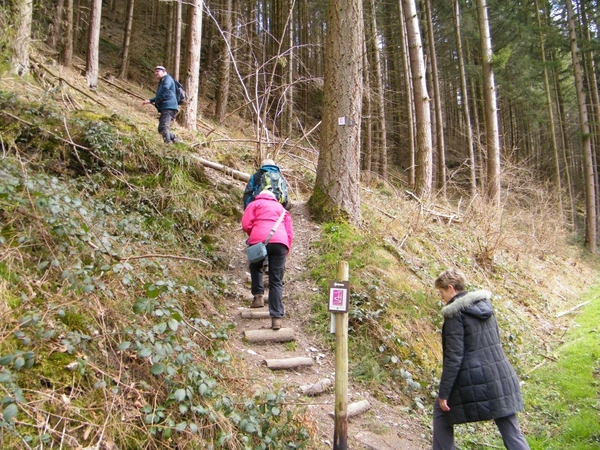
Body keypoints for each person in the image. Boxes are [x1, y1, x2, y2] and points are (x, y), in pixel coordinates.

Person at [433, 268, 530, 450]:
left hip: (476, 377)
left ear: (451, 288)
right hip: (501, 375)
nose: (442, 297)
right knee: (511, 430)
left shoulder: (455, 313)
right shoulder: (485, 307)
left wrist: (444, 393)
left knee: (440, 411)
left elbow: (454, 357)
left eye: (442, 292)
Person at [241, 189, 294, 330]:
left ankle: (258, 296)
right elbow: (289, 232)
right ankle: (276, 318)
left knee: (255, 266)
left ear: (260, 196)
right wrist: (286, 249)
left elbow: (246, 224)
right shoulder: (281, 208)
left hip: (259, 240)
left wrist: (254, 234)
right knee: (276, 280)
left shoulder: (254, 204)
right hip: (280, 243)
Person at [142, 65, 179, 144]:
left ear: (164, 71)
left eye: (158, 71)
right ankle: (175, 139)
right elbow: (161, 94)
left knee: (163, 127)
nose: (156, 73)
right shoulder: (163, 80)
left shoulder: (167, 78)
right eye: (155, 71)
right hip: (167, 107)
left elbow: (165, 89)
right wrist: (150, 100)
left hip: (169, 107)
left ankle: (168, 144)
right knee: (161, 129)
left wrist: (158, 99)